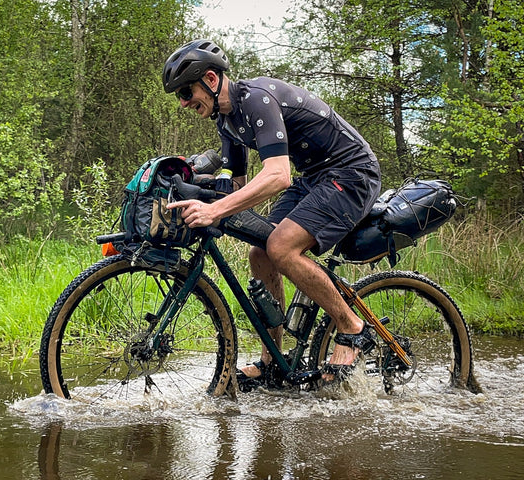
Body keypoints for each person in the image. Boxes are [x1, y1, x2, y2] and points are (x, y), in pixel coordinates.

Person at [163, 39, 381, 385]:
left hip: (351, 172)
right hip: (315, 178)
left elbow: (278, 175)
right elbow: (237, 186)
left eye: (186, 92)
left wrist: (214, 210)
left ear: (211, 78)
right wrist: (194, 187)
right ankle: (273, 361)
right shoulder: (227, 122)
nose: (184, 103)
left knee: (281, 246)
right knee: (261, 251)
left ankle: (351, 326)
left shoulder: (256, 99)